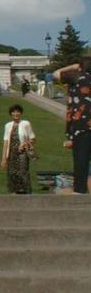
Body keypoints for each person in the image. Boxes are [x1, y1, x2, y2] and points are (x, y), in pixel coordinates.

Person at [54, 56, 91, 194]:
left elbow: (55, 74)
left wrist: (73, 66)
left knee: (81, 160)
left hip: (80, 126)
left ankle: (80, 191)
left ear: (80, 67)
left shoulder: (75, 77)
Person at [1, 104, 36, 194]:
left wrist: (24, 143)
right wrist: (4, 158)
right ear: (11, 113)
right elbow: (6, 142)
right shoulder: (8, 125)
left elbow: (32, 138)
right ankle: (14, 192)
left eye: (18, 111)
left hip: (22, 153)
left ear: (21, 113)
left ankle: (27, 192)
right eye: (14, 111)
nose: (16, 113)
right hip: (12, 153)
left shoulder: (26, 124)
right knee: (12, 173)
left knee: (23, 172)